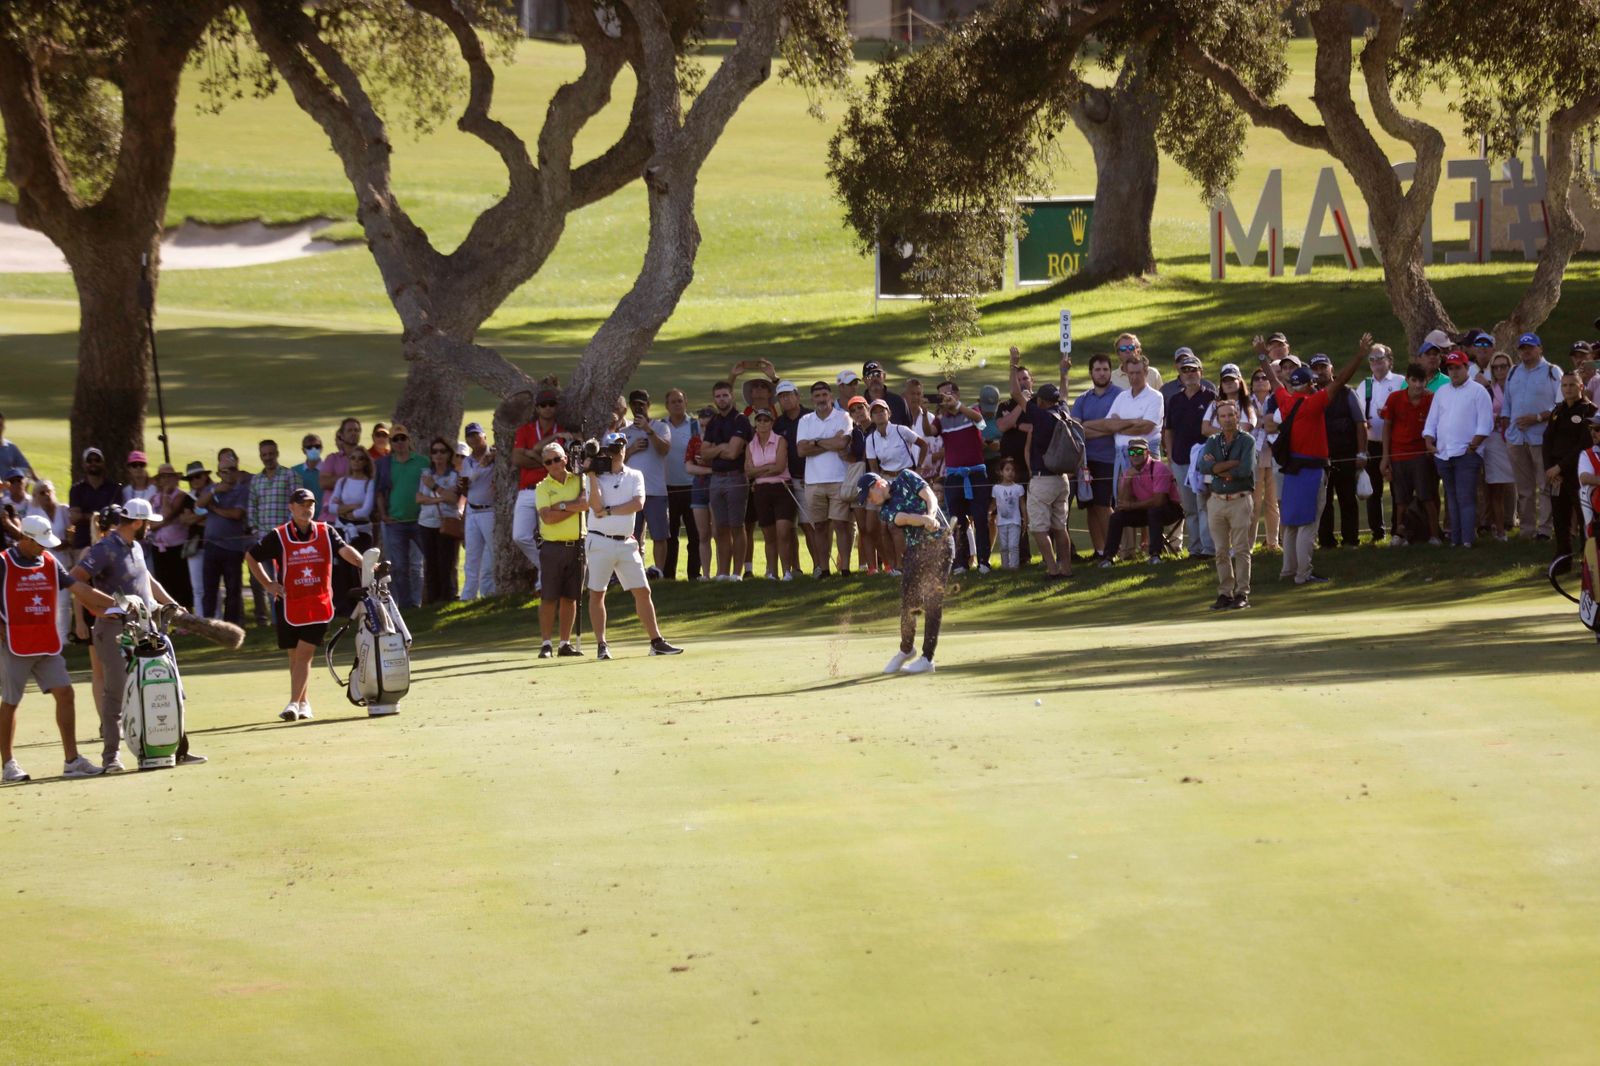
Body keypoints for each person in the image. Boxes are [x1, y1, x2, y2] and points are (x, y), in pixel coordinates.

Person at [70, 499, 203, 771]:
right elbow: (74, 579)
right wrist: (102, 608)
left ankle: (176, 749)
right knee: (116, 693)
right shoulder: (104, 548)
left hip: (146, 626)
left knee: (164, 684)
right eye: (148, 523)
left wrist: (172, 604)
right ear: (138, 522)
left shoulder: (137, 547)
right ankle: (111, 758)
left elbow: (148, 581)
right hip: (115, 630)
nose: (150, 527)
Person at [1, 514, 116, 782]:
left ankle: (72, 761)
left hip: (46, 642)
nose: (44, 547)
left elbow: (80, 589)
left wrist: (116, 604)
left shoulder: (50, 561)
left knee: (65, 693)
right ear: (25, 538)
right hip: (14, 644)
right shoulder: (3, 562)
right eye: (39, 542)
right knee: (11, 702)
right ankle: (8, 765)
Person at [247, 487, 367, 721]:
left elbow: (344, 550)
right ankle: (304, 703)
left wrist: (365, 564)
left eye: (310, 504)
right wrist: (268, 584)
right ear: (291, 508)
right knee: (295, 656)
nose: (306, 509)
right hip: (288, 604)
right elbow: (252, 556)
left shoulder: (326, 531)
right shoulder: (279, 535)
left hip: (318, 603)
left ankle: (293, 703)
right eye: (301, 505)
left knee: (304, 653)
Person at [1257, 333, 1368, 584]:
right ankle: (1303, 573)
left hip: (1292, 468)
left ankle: (1288, 571)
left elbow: (1273, 380)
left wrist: (1262, 354)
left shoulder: (1285, 400)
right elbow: (1341, 381)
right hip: (1311, 470)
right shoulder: (1314, 402)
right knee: (1308, 524)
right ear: (1308, 385)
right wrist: (1359, 356)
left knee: (1291, 523)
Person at [584, 433, 682, 660]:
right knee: (597, 593)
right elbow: (595, 506)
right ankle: (601, 645)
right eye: (611, 448)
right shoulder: (595, 476)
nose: (616, 453)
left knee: (643, 591)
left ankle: (656, 641)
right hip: (599, 541)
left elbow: (637, 504)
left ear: (625, 449)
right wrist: (591, 475)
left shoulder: (635, 475)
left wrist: (609, 511)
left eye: (619, 448)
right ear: (605, 451)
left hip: (626, 542)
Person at [858, 469, 951, 675]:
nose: (870, 501)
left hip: (941, 546)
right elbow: (904, 519)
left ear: (878, 485)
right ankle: (906, 649)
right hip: (916, 551)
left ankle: (927, 659)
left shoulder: (906, 477)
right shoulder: (885, 511)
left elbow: (929, 495)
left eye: (869, 496)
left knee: (932, 601)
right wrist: (924, 520)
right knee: (910, 602)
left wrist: (931, 515)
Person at [1422, 350, 1494, 548]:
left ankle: (1467, 540)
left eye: (1458, 368)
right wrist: (1429, 442)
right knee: (1452, 498)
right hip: (1443, 455)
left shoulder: (1478, 391)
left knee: (1465, 497)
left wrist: (1473, 446)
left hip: (1467, 455)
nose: (1454, 372)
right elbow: (1431, 422)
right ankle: (1455, 539)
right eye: (1450, 368)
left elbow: (1486, 424)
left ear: (1466, 368)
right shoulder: (1441, 392)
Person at [1503, 331, 1564, 540]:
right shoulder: (1513, 372)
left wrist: (1537, 418)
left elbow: (1561, 406)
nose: (1526, 351)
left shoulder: (1552, 371)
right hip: (1516, 439)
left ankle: (1545, 530)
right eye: (1522, 348)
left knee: (1545, 485)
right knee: (1524, 488)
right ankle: (1527, 530)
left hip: (1542, 438)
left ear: (1540, 349)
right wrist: (1507, 428)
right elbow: (1507, 405)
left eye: (1530, 347)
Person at [1198, 400, 1257, 610]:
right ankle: (1225, 593)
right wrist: (1230, 464)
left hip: (1240, 499)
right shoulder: (1213, 441)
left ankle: (1242, 593)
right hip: (1217, 500)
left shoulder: (1247, 440)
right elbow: (1203, 466)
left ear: (1237, 416)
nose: (1227, 419)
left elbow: (1245, 470)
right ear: (1218, 419)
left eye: (1231, 415)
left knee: (1241, 549)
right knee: (1221, 551)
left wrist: (1216, 468)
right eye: (1223, 416)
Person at [532, 441, 586, 657]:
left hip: (577, 546)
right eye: (548, 462)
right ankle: (546, 644)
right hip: (552, 547)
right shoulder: (542, 487)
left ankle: (565, 643)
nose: (553, 464)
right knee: (549, 597)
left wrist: (561, 506)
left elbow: (586, 504)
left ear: (565, 459)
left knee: (570, 597)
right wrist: (573, 506)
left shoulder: (579, 480)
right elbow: (548, 517)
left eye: (556, 459)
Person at [931, 381, 992, 574]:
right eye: (941, 395)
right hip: (954, 477)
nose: (945, 398)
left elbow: (981, 422)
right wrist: (923, 412)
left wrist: (957, 406)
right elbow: (929, 432)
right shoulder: (941, 419)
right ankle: (960, 563)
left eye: (948, 394)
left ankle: (984, 561)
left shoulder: (971, 410)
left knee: (980, 517)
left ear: (957, 394)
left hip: (976, 474)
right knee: (957, 521)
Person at [1308, 353, 1368, 550]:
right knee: (1323, 502)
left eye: (1323, 367)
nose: (1320, 372)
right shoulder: (1309, 395)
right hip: (1320, 457)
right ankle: (1326, 541)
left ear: (1331, 368)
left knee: (1347, 498)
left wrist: (1362, 453)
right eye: (1315, 368)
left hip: (1346, 454)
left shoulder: (1347, 392)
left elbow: (1360, 424)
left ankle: (1351, 540)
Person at [1163, 351, 1218, 558]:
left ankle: (1208, 548)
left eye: (1193, 370)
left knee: (1205, 504)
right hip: (1180, 460)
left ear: (1200, 372)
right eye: (1185, 370)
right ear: (1180, 374)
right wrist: (1170, 456)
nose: (1189, 373)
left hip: (1205, 461)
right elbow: (1168, 431)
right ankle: (1195, 549)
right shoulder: (1174, 400)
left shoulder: (1210, 397)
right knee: (1190, 508)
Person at [511, 389, 571, 577]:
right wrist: (548, 462)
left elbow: (559, 465)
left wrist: (532, 454)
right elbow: (517, 459)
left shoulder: (562, 432)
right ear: (537, 408)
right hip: (527, 490)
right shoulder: (525, 430)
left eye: (551, 404)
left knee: (549, 537)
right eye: (543, 405)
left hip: (552, 490)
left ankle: (544, 581)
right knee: (520, 536)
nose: (547, 408)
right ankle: (549, 568)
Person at [1379, 364, 1441, 546]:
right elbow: (1386, 427)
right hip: (1398, 455)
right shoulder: (1395, 398)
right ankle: (1400, 535)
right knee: (1401, 500)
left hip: (1422, 456)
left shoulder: (1431, 399)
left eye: (1421, 381)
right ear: (1407, 380)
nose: (1418, 385)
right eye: (1414, 380)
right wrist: (1385, 457)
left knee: (1427, 497)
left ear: (1426, 381)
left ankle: (1434, 535)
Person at [1017, 381, 1074, 579]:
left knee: (1039, 529)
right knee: (1060, 527)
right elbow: (1064, 394)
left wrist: (1013, 367)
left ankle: (1053, 570)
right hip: (1062, 479)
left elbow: (1015, 393)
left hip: (1043, 480)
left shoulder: (1040, 416)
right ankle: (1066, 569)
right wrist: (1064, 374)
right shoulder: (1064, 411)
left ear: (1041, 401)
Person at [796, 381, 853, 578]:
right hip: (813, 481)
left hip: (839, 479)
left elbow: (842, 443)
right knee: (819, 526)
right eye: (817, 396)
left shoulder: (843, 417)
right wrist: (829, 442)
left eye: (824, 395)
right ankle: (824, 569)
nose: (821, 399)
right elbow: (801, 450)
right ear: (812, 399)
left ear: (831, 396)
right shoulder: (806, 420)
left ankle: (845, 569)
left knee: (841, 524)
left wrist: (816, 441)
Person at [1070, 352, 1124, 560]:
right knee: (1090, 506)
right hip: (1085, 462)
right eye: (1097, 369)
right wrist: (1105, 426)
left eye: (1105, 369)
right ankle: (1100, 551)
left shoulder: (1120, 396)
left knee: (1103, 505)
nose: (1102, 373)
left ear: (1110, 372)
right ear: (1090, 372)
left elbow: (1116, 426)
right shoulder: (1083, 399)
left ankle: (1113, 551)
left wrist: (1091, 427)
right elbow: (1076, 430)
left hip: (1109, 460)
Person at [1098, 439, 1185, 564]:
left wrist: (1131, 506)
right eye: (1131, 452)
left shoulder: (1158, 468)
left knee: (1154, 512)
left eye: (1139, 451)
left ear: (1147, 452)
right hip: (1145, 509)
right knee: (1116, 517)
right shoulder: (1128, 472)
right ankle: (1108, 558)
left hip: (1171, 510)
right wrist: (1127, 481)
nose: (1135, 455)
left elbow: (1159, 501)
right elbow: (1123, 503)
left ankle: (1155, 555)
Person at [699, 382, 752, 581]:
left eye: (725, 395)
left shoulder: (740, 420)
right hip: (716, 478)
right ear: (714, 399)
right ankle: (723, 572)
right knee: (720, 528)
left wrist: (717, 449)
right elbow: (703, 454)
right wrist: (722, 447)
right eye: (718, 396)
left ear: (732, 396)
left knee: (737, 526)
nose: (721, 399)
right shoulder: (713, 422)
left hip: (736, 477)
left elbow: (733, 453)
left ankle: (737, 573)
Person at [1543, 372, 1598, 565]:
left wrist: (1560, 467)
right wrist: (1550, 469)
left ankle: (1588, 560)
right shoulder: (1557, 411)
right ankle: (1563, 559)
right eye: (1564, 385)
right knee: (1560, 519)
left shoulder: (1590, 411)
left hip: (1578, 471)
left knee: (1585, 517)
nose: (1568, 389)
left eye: (1572, 385)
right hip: (1557, 476)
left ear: (1581, 387)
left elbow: (1584, 444)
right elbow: (1547, 440)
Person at [622, 389, 673, 579]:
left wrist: (648, 430)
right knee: (631, 537)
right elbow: (616, 463)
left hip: (655, 491)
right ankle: (635, 573)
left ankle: (658, 572)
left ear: (648, 405)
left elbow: (664, 449)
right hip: (631, 494)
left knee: (659, 535)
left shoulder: (661, 427)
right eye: (635, 404)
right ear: (630, 406)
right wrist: (632, 449)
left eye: (642, 405)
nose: (638, 408)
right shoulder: (624, 433)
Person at [375, 424, 427, 609]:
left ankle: (425, 601)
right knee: (399, 567)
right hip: (396, 522)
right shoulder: (385, 464)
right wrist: (384, 515)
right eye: (395, 439)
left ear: (409, 440)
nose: (399, 442)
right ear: (391, 442)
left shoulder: (422, 462)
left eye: (402, 438)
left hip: (421, 521)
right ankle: (406, 606)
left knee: (423, 564)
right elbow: (380, 492)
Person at [196, 455, 250, 624]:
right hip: (211, 546)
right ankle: (208, 626)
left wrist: (214, 509)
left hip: (232, 547)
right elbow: (199, 505)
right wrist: (214, 492)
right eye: (224, 471)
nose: (228, 474)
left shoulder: (242, 490)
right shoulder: (212, 489)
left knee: (233, 590)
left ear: (237, 471)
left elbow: (237, 514)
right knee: (209, 589)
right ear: (219, 473)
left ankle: (231, 626)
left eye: (232, 470)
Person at [1359, 343, 1405, 542]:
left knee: (1397, 489)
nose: (1376, 362)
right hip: (1371, 443)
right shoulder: (1365, 384)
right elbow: (1358, 413)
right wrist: (1363, 421)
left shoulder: (1400, 382)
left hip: (1395, 443)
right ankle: (1377, 532)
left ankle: (1398, 529)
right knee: (1373, 490)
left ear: (1389, 360)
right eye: (1372, 359)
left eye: (1380, 358)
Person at [322, 445, 376, 612]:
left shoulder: (369, 483)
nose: (356, 462)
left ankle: (363, 606)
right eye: (353, 458)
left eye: (361, 458)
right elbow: (331, 507)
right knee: (341, 569)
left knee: (358, 569)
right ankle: (344, 607)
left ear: (366, 462)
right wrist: (352, 507)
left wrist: (344, 508)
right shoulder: (342, 482)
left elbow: (365, 510)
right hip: (341, 529)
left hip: (361, 532)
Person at [745, 408, 798, 580]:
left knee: (783, 532)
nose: (762, 423)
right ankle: (772, 573)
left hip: (782, 489)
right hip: (761, 492)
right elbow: (748, 472)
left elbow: (780, 467)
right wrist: (768, 467)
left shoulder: (780, 441)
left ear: (772, 423)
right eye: (759, 420)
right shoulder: (750, 445)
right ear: (755, 423)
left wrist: (759, 471)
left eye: (766, 420)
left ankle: (787, 571)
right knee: (769, 536)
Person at [247, 439, 298, 615]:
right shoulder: (256, 480)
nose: (268, 458)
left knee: (288, 581)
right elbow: (252, 507)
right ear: (260, 456)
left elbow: (297, 505)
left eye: (271, 454)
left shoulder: (289, 475)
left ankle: (290, 616)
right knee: (269, 583)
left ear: (277, 454)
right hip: (263, 538)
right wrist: (254, 529)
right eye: (264, 455)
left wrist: (290, 530)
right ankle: (277, 621)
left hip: (285, 539)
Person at [769, 381, 810, 579]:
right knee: (790, 528)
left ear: (797, 396)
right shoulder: (778, 424)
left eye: (788, 395)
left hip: (809, 479)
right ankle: (796, 568)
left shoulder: (810, 417)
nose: (785, 399)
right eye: (781, 397)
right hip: (787, 480)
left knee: (810, 525)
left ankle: (819, 567)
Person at [660, 388, 700, 581]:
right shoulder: (660, 426)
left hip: (692, 487)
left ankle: (694, 574)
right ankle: (669, 576)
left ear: (686, 403)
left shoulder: (695, 425)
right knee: (670, 535)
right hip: (667, 488)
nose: (677, 404)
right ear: (667, 406)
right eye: (673, 402)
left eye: (680, 401)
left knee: (695, 534)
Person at [416, 436, 462, 604]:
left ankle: (447, 598)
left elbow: (453, 498)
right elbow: (419, 498)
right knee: (430, 563)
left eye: (442, 451)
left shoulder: (455, 475)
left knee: (446, 563)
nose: (439, 455)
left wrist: (434, 487)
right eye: (435, 451)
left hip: (447, 523)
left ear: (449, 454)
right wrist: (440, 497)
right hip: (426, 523)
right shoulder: (426, 474)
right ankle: (431, 599)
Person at [1480, 352, 1517, 540]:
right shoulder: (1488, 390)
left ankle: (1523, 525)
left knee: (1519, 484)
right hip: (1494, 440)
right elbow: (1481, 414)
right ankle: (1499, 530)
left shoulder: (1517, 388)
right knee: (1496, 486)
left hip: (1515, 438)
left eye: (1504, 366)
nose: (1500, 370)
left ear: (1510, 367)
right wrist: (1494, 419)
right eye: (1496, 367)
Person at [457, 422, 496, 599]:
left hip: (489, 511)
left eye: (476, 435)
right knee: (472, 557)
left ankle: (490, 592)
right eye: (469, 436)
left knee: (492, 554)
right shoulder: (467, 461)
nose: (473, 439)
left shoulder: (494, 455)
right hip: (473, 511)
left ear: (484, 436)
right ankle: (468, 595)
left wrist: (493, 455)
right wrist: (463, 486)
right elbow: (465, 489)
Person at [147, 463, 193, 612]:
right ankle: (168, 615)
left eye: (169, 477)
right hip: (159, 546)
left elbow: (167, 514)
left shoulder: (180, 496)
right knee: (163, 583)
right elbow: (149, 524)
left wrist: (166, 495)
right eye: (163, 477)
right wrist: (163, 522)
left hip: (177, 546)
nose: (166, 480)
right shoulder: (153, 498)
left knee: (181, 583)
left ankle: (185, 614)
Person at [684, 406, 718, 580]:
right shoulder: (694, 440)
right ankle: (706, 574)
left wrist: (707, 465)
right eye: (702, 423)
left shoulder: (720, 440)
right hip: (699, 485)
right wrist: (709, 469)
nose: (704, 426)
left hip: (716, 484)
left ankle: (721, 572)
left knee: (718, 533)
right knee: (703, 534)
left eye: (707, 423)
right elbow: (689, 467)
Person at [179, 462, 210, 614]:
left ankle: (216, 619)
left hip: (212, 544)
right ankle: (200, 619)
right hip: (195, 546)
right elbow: (185, 520)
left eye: (198, 476)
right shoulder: (188, 498)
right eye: (191, 478)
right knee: (198, 588)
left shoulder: (212, 494)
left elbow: (213, 518)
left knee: (212, 586)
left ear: (205, 476)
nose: (195, 480)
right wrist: (206, 515)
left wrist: (195, 517)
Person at [993, 459, 1025, 570]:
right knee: (1004, 546)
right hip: (1001, 522)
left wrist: (1025, 518)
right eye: (1007, 470)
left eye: (1013, 470)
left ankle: (1014, 566)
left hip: (1015, 521)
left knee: (1013, 545)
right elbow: (994, 504)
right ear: (1001, 472)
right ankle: (1005, 566)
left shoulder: (1018, 488)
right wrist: (989, 512)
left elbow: (1022, 504)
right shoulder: (996, 488)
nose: (1010, 472)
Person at [319, 417, 363, 494]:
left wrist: (337, 480)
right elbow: (324, 483)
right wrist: (354, 478)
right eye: (349, 430)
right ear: (342, 435)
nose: (353, 433)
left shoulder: (366, 458)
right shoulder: (332, 458)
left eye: (356, 430)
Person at [861, 360, 911, 425]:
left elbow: (908, 426)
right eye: (870, 376)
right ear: (864, 380)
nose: (875, 379)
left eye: (878, 375)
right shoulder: (860, 406)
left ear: (884, 376)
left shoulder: (898, 401)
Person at [292, 433, 325, 516]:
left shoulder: (329, 469)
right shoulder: (294, 471)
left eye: (317, 446)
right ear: (303, 450)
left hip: (325, 516)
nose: (313, 449)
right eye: (309, 447)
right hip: (303, 517)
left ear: (321, 448)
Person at [0, 412, 32, 481]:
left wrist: (40, 482)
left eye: (0, 425)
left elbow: (26, 469)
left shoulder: (10, 447)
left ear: (4, 427)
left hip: (7, 487)